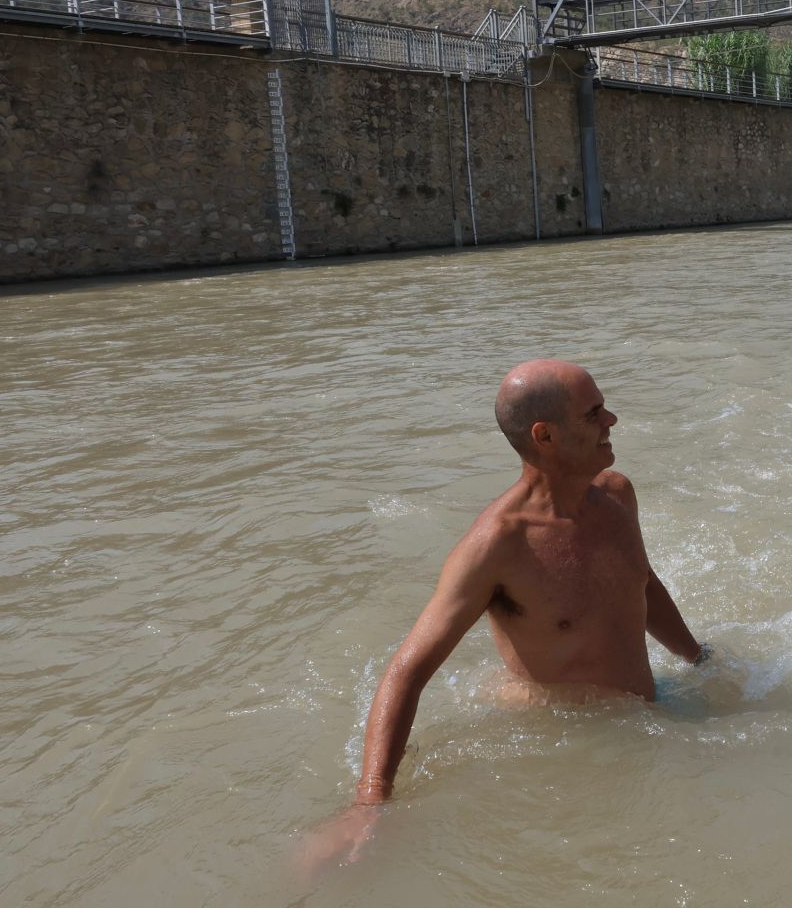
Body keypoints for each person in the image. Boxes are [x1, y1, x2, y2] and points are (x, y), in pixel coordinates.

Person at [299, 360, 707, 870]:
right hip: (565, 750)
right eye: (594, 412)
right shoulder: (497, 546)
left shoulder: (618, 495)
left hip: (648, 716)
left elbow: (641, 583)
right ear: (545, 435)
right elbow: (407, 673)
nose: (612, 420)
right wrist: (369, 801)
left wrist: (698, 658)